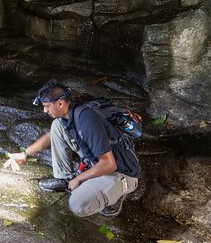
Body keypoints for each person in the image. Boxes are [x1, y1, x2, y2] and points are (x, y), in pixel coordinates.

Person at [11, 79, 140, 217]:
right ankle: (64, 178)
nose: (44, 110)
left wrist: (79, 179)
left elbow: (109, 164)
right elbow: (50, 137)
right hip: (99, 160)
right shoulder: (70, 113)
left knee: (78, 204)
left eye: (47, 106)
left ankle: (116, 195)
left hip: (121, 172)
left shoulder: (87, 121)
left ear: (60, 103)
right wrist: (25, 154)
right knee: (57, 126)